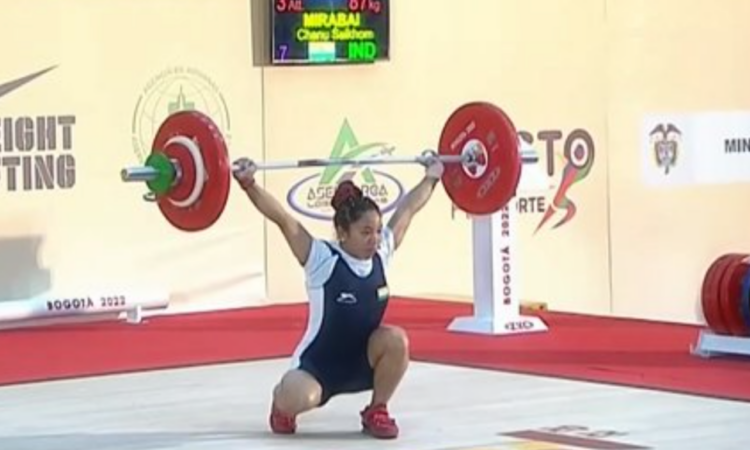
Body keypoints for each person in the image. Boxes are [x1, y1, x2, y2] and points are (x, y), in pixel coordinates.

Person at [232, 153, 444, 439]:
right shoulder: (321, 259)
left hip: (363, 363)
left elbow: (408, 210)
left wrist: (432, 176)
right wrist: (248, 184)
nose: (374, 238)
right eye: (365, 232)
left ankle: (377, 410)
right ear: (343, 233)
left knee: (397, 340)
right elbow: (282, 219)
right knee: (298, 398)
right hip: (318, 368)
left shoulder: (381, 253)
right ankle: (280, 404)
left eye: (377, 230)